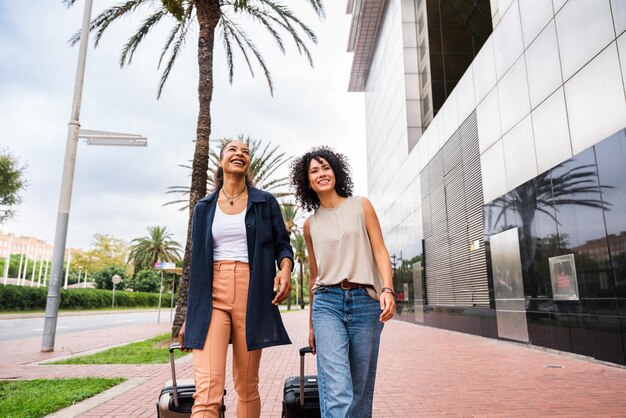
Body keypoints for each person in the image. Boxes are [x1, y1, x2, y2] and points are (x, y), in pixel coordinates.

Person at [178, 140, 294, 418]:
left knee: (246, 385)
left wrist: (286, 269)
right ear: (221, 161)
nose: (239, 153)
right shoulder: (204, 208)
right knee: (207, 389)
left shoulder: (264, 202)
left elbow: (283, 245)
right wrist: (189, 317)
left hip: (252, 293)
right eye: (232, 149)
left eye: (245, 151)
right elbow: (196, 263)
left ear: (247, 163)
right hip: (210, 297)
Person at [290, 146, 396, 418]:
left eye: (326, 167)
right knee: (338, 391)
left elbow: (380, 251)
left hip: (365, 303)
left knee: (359, 392)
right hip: (327, 304)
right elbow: (315, 277)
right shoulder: (310, 225)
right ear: (307, 181)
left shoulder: (361, 205)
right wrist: (312, 326)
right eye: (314, 171)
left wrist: (388, 289)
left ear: (335, 171)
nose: (321, 173)